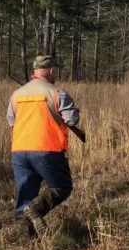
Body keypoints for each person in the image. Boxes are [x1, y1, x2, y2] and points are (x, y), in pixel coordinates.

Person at [8, 55, 81, 237]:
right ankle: (36, 209)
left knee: (25, 194)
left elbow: (11, 121)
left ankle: (30, 243)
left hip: (19, 151)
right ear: (51, 70)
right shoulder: (56, 93)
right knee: (61, 187)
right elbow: (72, 119)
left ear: (35, 71)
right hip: (47, 149)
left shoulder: (16, 95)